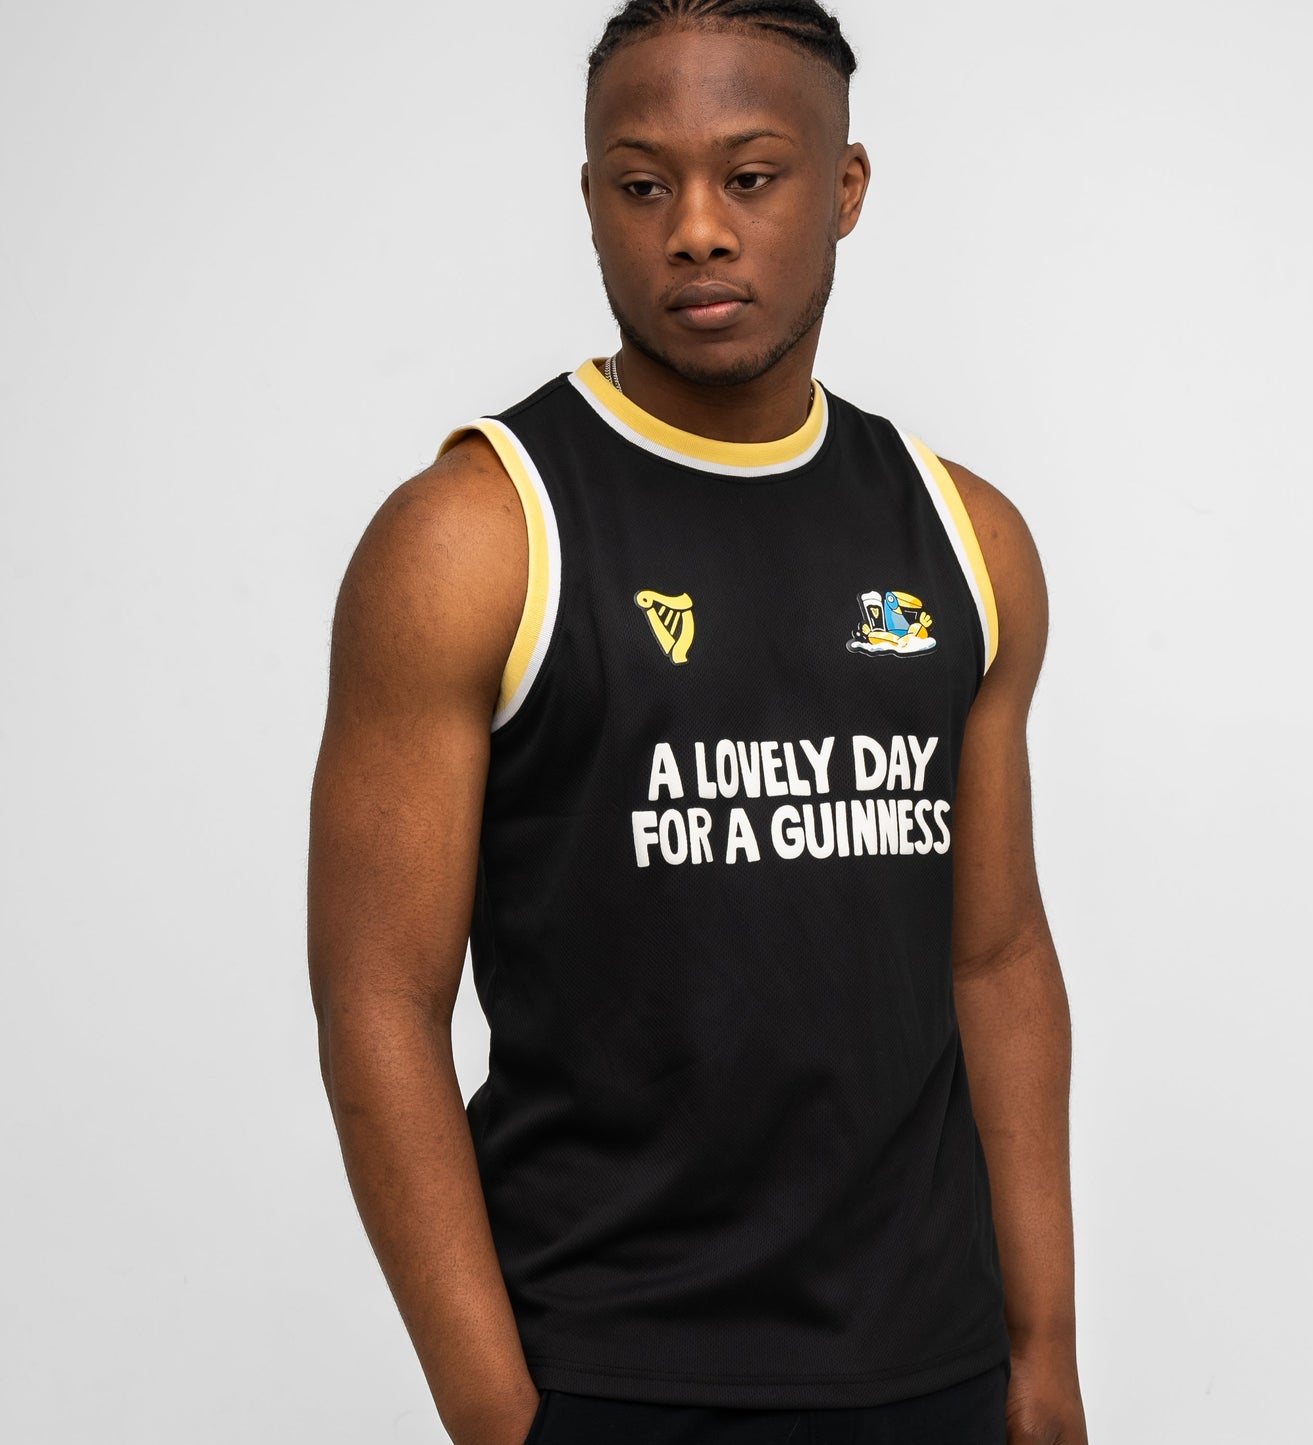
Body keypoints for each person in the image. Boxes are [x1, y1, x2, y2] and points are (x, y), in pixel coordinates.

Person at [307, 3, 1088, 1443]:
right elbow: (379, 1003)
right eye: (641, 183)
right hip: (612, 1372)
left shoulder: (966, 538)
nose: (697, 231)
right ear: (591, 200)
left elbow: (994, 956)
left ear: (843, 187)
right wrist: (499, 1413)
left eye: (751, 175)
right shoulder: (476, 536)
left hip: (934, 1368)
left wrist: (1042, 1357)